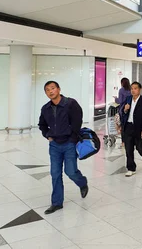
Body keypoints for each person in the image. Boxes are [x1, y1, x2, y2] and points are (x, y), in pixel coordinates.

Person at [38, 81, 88, 215]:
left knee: (70, 171)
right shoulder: (45, 108)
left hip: (69, 143)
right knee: (55, 174)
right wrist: (47, 135)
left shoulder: (70, 104)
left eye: (53, 88)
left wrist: (72, 138)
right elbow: (42, 125)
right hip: (54, 145)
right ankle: (56, 203)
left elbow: (77, 122)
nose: (50, 91)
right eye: (47, 90)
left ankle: (82, 182)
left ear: (59, 89)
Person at [119, 82, 142, 177]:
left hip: (139, 128)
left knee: (140, 148)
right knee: (128, 149)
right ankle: (131, 168)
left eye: (135, 88)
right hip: (128, 127)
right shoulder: (128, 99)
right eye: (132, 88)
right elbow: (123, 113)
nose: (133, 90)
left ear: (140, 89)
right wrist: (125, 109)